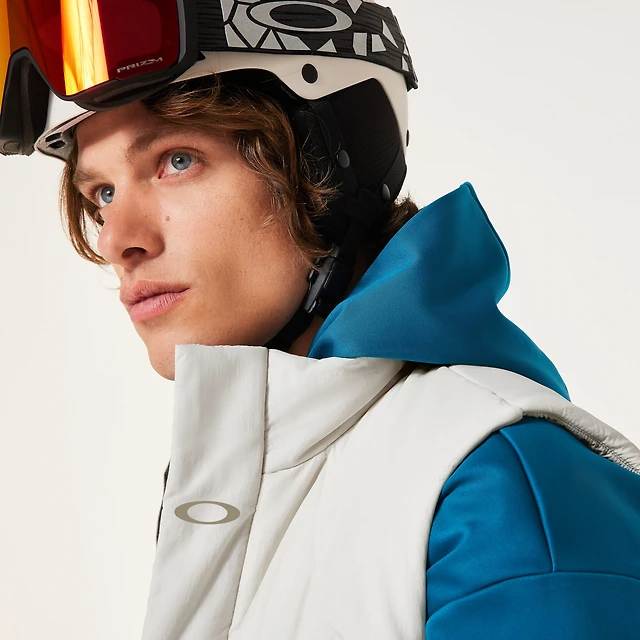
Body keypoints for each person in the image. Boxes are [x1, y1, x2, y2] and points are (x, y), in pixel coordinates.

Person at [2, 1, 639, 638]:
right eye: (102, 193)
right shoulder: (260, 483)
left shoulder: (501, 492)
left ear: (324, 164)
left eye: (177, 161)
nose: (117, 239)